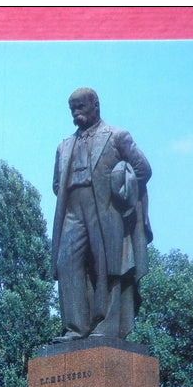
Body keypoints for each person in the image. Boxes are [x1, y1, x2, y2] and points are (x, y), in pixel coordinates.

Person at [51, 87, 153, 341]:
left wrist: (121, 191)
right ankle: (75, 327)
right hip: (73, 208)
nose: (76, 112)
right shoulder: (64, 146)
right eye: (72, 108)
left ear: (95, 105)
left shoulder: (117, 136)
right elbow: (56, 184)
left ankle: (106, 326)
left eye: (80, 106)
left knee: (107, 265)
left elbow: (143, 169)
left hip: (106, 208)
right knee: (67, 262)